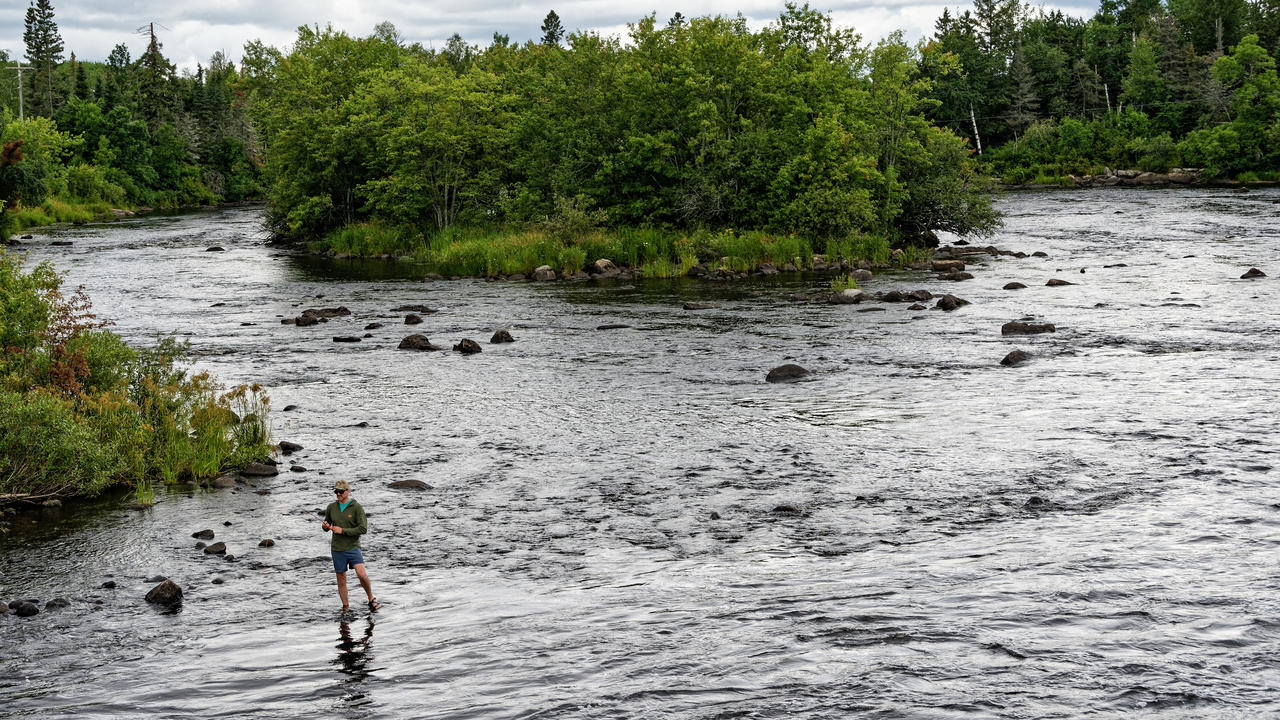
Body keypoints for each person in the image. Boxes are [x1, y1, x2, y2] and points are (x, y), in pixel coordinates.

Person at [323, 480, 380, 612]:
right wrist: (325, 526)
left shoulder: (357, 508)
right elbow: (327, 525)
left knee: (362, 575)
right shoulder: (331, 507)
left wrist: (342, 531)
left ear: (348, 491)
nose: (338, 494)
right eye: (336, 491)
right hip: (337, 548)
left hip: (353, 547)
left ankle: (371, 598)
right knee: (341, 580)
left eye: (341, 491)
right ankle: (345, 607)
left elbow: (363, 529)